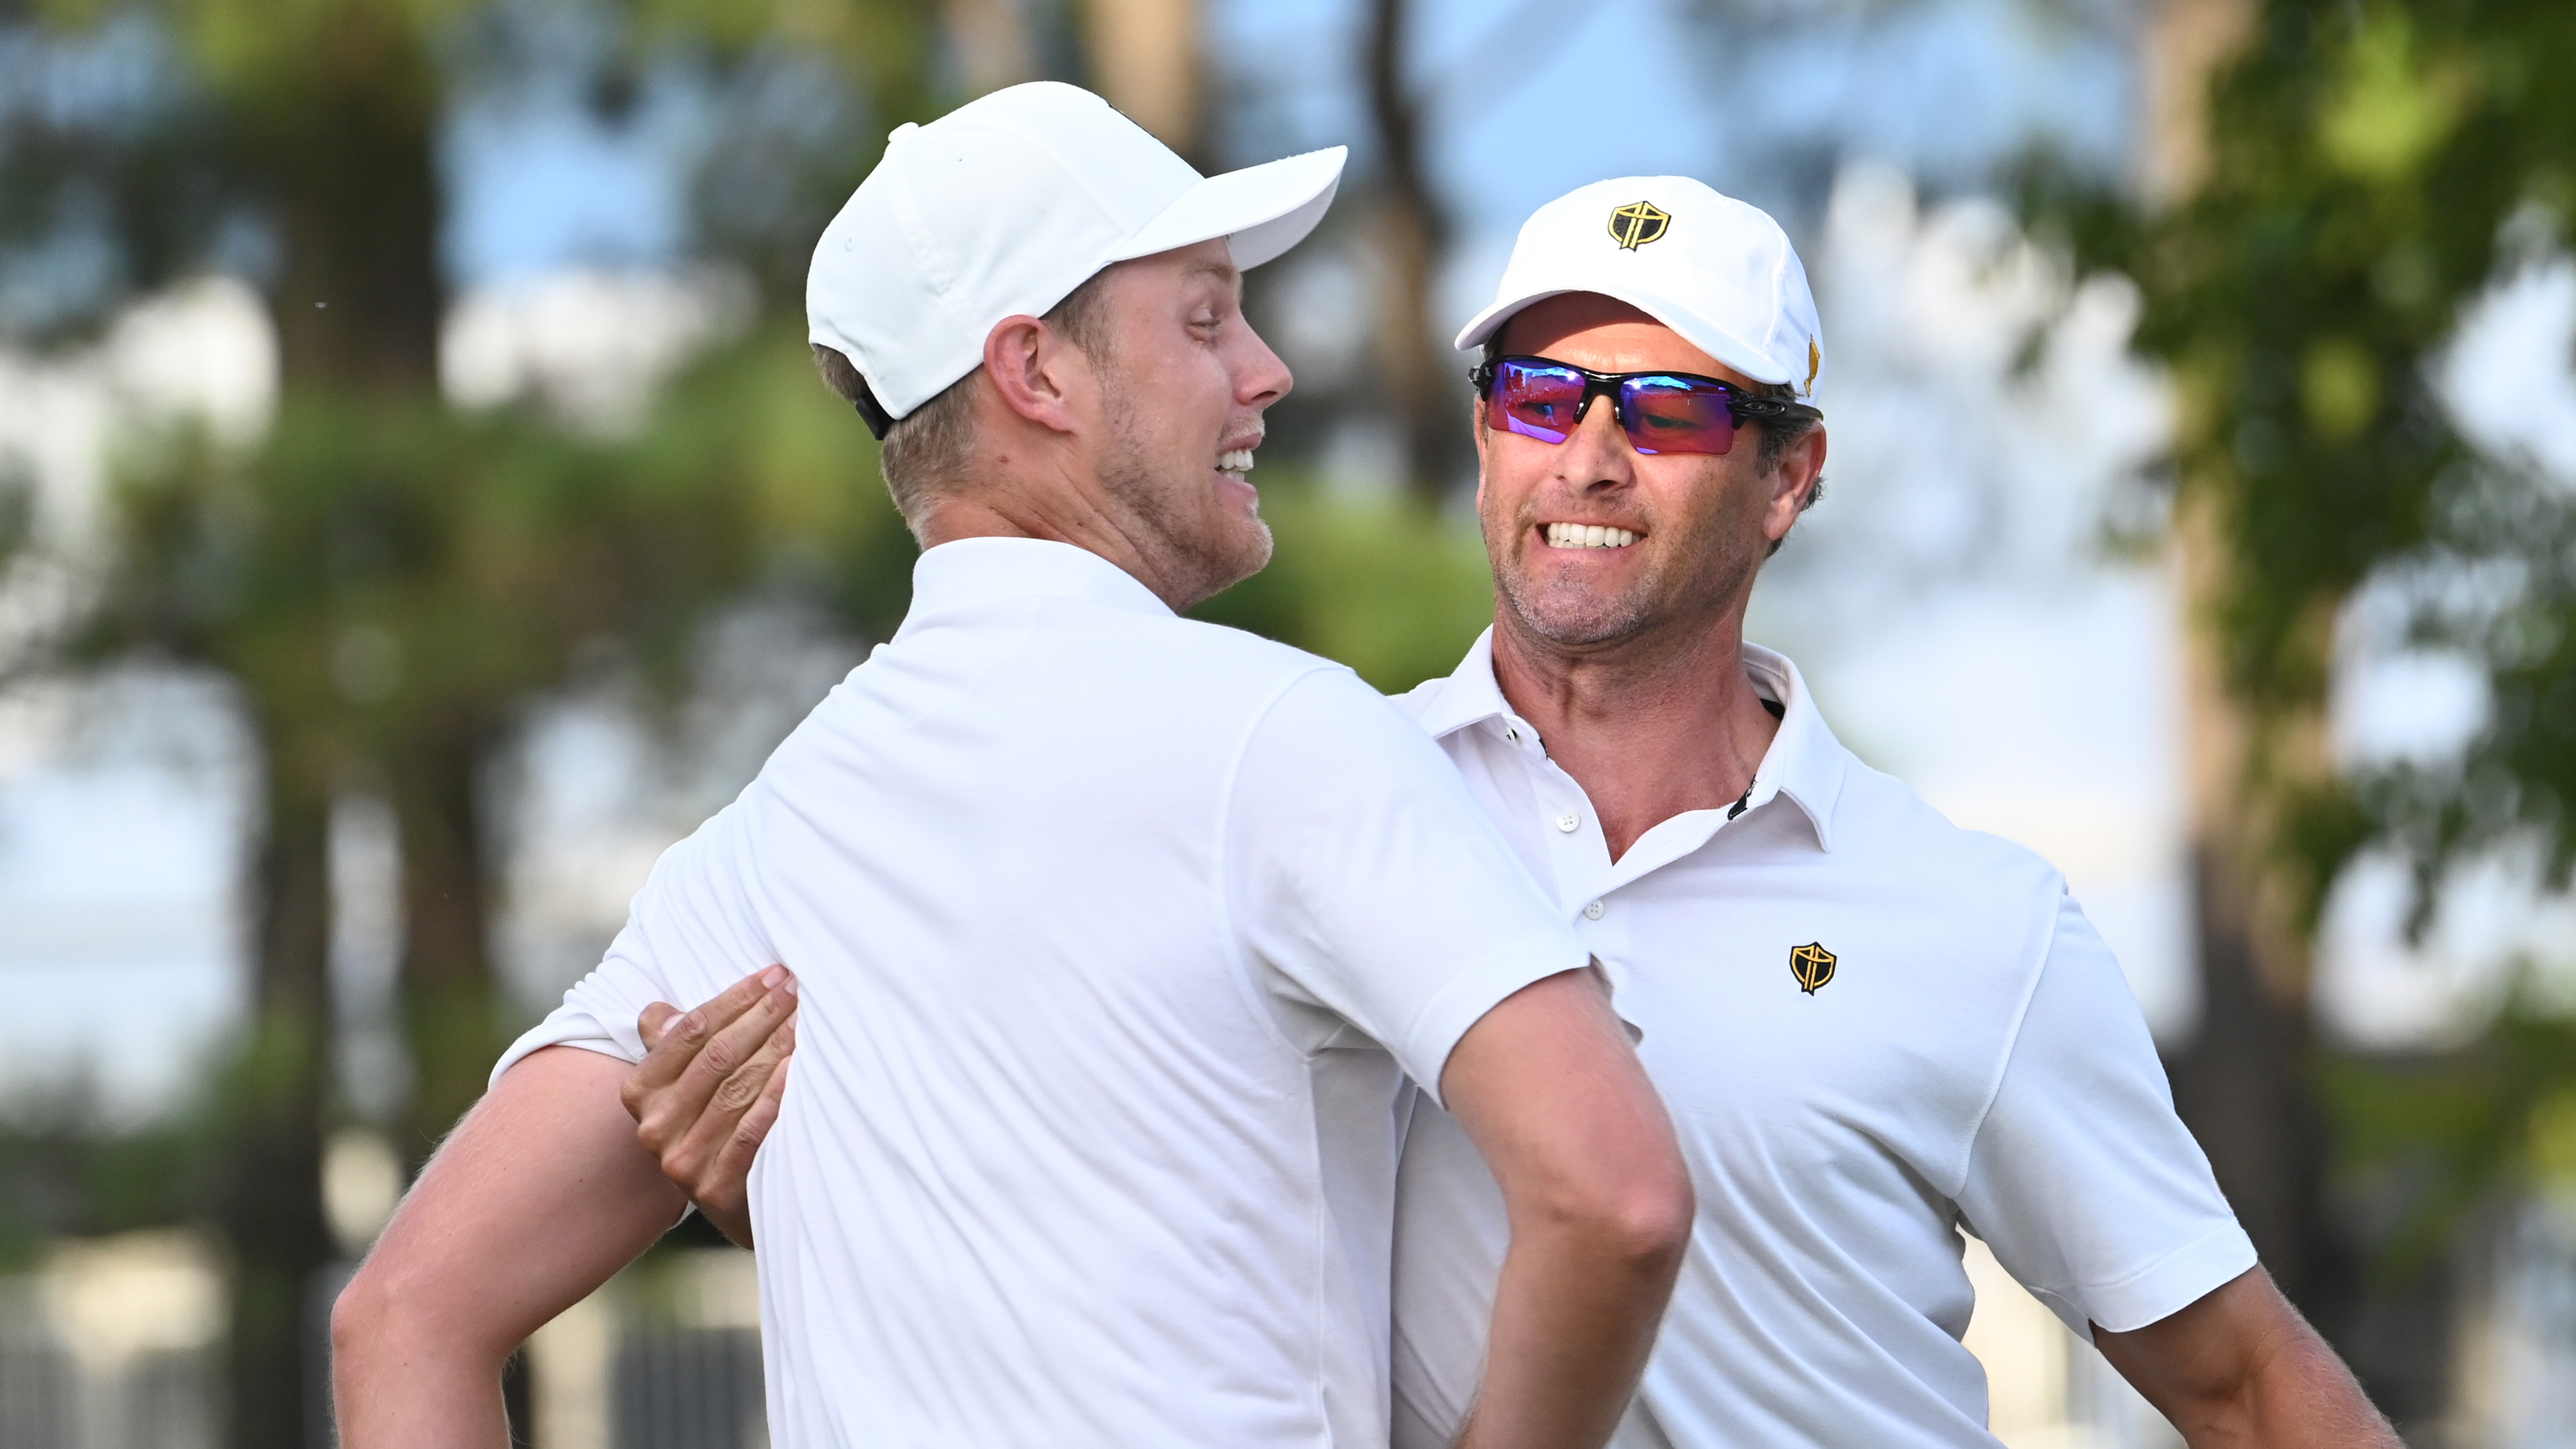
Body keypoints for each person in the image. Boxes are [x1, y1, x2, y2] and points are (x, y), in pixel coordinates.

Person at [635, 176, 2403, 1449]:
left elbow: (2243, 1385)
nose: (1591, 454)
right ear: (1486, 438)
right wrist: (786, 1175)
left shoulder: (1979, 922)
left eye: (1676, 405)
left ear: (1791, 473)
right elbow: (1072, 1201)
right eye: (1541, 395)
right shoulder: (1317, 795)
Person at [329, 85, 1694, 1449]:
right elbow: (1613, 1197)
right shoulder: (1283, 735)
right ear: (1035, 373)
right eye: (1204, 318)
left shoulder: (760, 853)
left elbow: (404, 1319)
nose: (1265, 370)